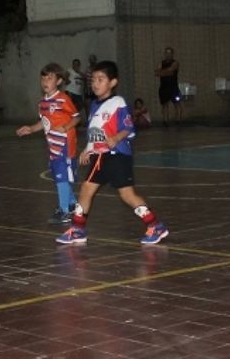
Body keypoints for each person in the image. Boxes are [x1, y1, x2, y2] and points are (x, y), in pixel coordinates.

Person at [56, 61, 169, 245]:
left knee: (127, 195)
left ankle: (155, 225)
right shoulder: (93, 105)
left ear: (113, 82)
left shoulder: (118, 102)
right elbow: (95, 132)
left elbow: (128, 127)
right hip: (100, 156)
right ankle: (78, 229)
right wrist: (87, 149)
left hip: (115, 155)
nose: (95, 83)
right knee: (88, 189)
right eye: (93, 79)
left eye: (101, 79)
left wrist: (116, 138)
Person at [16, 63, 81, 224]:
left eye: (50, 78)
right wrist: (31, 128)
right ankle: (72, 204)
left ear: (58, 81)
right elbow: (44, 122)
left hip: (64, 145)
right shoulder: (42, 103)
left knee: (61, 177)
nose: (45, 81)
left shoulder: (63, 99)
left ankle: (65, 211)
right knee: (59, 176)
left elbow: (77, 117)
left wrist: (65, 127)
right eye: (43, 78)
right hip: (52, 146)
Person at [155, 47, 183, 126]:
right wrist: (166, 72)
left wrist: (163, 72)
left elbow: (171, 70)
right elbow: (157, 72)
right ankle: (165, 121)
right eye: (166, 53)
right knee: (164, 104)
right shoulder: (161, 63)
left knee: (177, 103)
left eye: (170, 53)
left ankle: (178, 121)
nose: (168, 55)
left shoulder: (175, 63)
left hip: (173, 87)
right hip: (164, 87)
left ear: (172, 54)